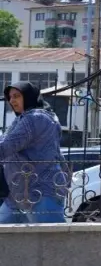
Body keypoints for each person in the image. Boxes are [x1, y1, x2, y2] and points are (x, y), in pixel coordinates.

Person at [0, 82, 68, 224]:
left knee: (50, 236)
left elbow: (6, 146)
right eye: (10, 97)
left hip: (42, 191)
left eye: (17, 96)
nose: (12, 101)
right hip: (19, 193)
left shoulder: (35, 118)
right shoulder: (25, 118)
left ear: (28, 96)